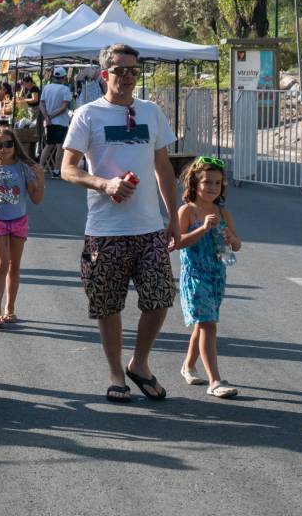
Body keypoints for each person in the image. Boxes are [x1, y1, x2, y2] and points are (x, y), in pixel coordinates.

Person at [61, 43, 180, 404]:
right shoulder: (87, 115)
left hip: (148, 227)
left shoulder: (151, 112)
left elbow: (163, 168)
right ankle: (116, 373)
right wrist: (105, 184)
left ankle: (139, 363)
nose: (127, 77)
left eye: (132, 70)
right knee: (108, 305)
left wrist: (172, 218)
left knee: (160, 298)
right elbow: (67, 169)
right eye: (119, 70)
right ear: (104, 74)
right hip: (105, 230)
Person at [175, 157, 242, 399]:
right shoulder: (187, 211)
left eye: (217, 183)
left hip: (217, 276)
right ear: (194, 183)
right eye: (206, 182)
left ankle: (188, 366)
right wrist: (202, 228)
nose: (212, 187)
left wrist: (230, 239)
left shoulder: (222, 212)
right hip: (194, 276)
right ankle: (215, 381)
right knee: (208, 325)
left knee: (204, 323)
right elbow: (176, 243)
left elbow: (237, 244)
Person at [0, 126, 45, 327]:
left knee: (14, 266)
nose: (4, 149)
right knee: (1, 263)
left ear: (14, 145)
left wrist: (41, 178)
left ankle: (10, 307)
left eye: (8, 144)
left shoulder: (22, 168)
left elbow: (36, 198)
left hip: (18, 220)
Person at [40, 67, 73, 178]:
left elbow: (41, 104)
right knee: (60, 147)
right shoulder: (65, 89)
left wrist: (47, 117)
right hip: (61, 122)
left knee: (48, 145)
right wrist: (50, 116)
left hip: (49, 122)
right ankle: (56, 171)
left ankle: (40, 168)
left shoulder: (47, 87)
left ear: (54, 76)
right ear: (63, 78)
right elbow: (64, 108)